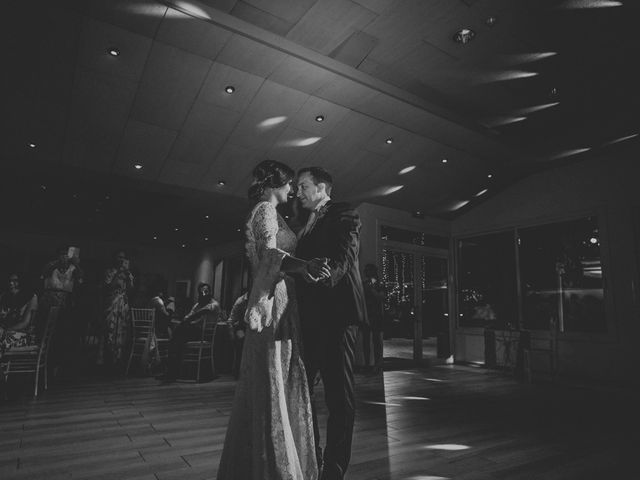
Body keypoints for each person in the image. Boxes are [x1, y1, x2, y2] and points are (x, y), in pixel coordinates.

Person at [217, 160, 329, 480]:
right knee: (272, 377)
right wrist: (304, 266)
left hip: (282, 297)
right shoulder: (265, 210)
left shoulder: (274, 213)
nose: (292, 188)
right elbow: (269, 257)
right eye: (288, 182)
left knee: (278, 374)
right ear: (273, 183)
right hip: (273, 298)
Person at [295, 166, 368, 480]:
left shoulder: (344, 213)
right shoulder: (305, 223)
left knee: (339, 396)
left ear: (322, 187)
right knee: (303, 389)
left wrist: (329, 274)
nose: (298, 193)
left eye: (303, 187)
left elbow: (345, 254)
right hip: (310, 318)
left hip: (337, 316)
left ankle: (334, 469)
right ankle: (312, 454)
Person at [162, 282, 220, 382]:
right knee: (177, 340)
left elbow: (204, 311)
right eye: (201, 292)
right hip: (195, 333)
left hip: (204, 335)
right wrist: (186, 320)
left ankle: (171, 372)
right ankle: (171, 371)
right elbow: (188, 316)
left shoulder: (214, 304)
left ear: (210, 292)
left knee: (178, 336)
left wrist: (187, 321)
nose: (204, 293)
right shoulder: (198, 305)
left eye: (206, 291)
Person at [96, 250, 134, 372]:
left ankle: (118, 360)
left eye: (123, 257)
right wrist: (117, 273)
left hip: (122, 304)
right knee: (109, 329)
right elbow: (107, 287)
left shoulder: (127, 273)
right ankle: (106, 359)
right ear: (115, 258)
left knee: (121, 330)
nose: (121, 259)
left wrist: (128, 276)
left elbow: (131, 290)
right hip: (111, 302)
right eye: (119, 257)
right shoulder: (110, 271)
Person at [0, 273, 38, 360]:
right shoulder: (4, 297)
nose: (11, 284)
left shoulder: (31, 297)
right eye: (10, 281)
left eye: (15, 281)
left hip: (24, 336)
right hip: (5, 333)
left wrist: (5, 331)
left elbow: (25, 323)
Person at [362, 263, 385, 374]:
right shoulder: (365, 283)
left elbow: (381, 297)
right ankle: (368, 365)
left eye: (367, 270)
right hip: (366, 315)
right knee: (366, 342)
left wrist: (371, 290)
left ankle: (377, 365)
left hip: (376, 316)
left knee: (376, 342)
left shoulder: (378, 283)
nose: (365, 272)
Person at [227, 290, 248, 379]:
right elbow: (231, 320)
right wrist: (231, 333)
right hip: (242, 327)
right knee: (241, 340)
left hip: (254, 329)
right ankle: (238, 371)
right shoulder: (241, 301)